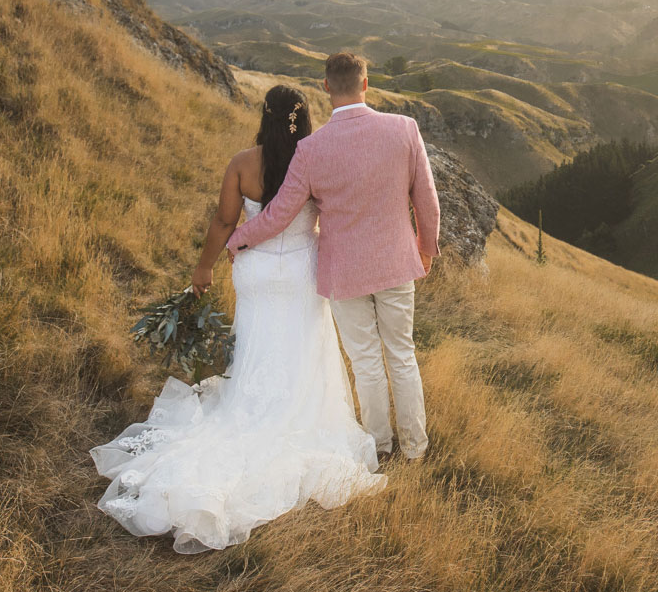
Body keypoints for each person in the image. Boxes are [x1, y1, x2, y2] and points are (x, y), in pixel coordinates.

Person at [89, 84, 384, 553]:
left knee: (256, 346)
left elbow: (225, 222)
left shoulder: (243, 163)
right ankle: (297, 414)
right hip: (303, 272)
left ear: (265, 116)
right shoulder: (317, 158)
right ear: (304, 119)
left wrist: (203, 266)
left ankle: (250, 407)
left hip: (258, 272)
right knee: (303, 347)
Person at [227, 51, 440, 462]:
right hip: (396, 263)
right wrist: (426, 250)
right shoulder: (405, 129)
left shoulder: (310, 149)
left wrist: (239, 240)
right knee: (402, 354)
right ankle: (416, 447)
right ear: (366, 82)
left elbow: (278, 215)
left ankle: (379, 445)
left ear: (326, 88)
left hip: (344, 274)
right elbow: (427, 201)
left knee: (365, 362)